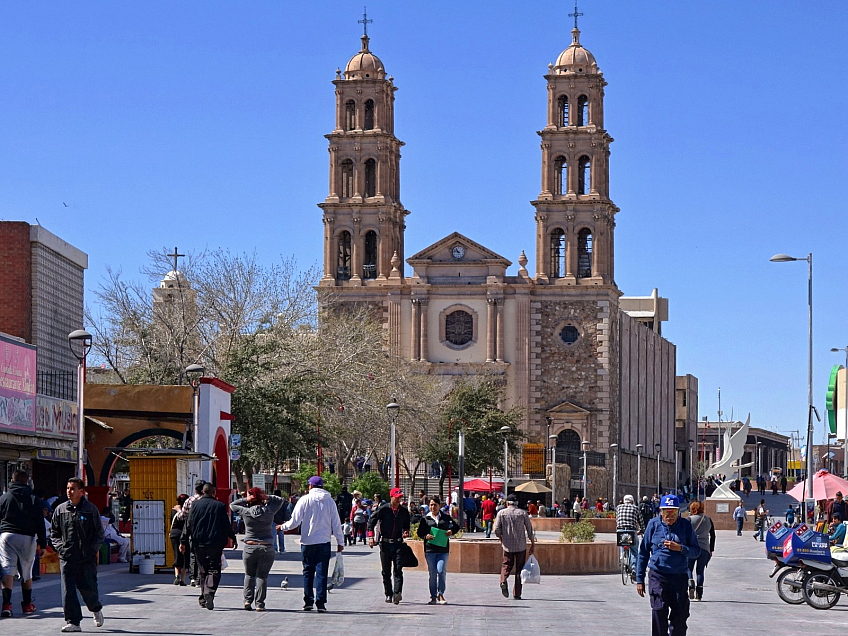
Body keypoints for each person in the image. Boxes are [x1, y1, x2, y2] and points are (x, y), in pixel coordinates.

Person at [636, 494, 700, 636]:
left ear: (679, 512)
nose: (669, 516)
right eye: (666, 512)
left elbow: (696, 551)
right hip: (658, 576)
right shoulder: (653, 524)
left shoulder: (685, 526)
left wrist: (680, 548)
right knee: (658, 612)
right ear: (660, 511)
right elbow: (643, 553)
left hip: (679, 577)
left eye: (673, 512)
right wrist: (639, 579)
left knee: (680, 618)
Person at [279, 476, 343, 612]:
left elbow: (294, 522)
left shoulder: (304, 500)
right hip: (324, 542)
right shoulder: (330, 501)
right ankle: (321, 603)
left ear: (310, 486)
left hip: (307, 542)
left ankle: (308, 601)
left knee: (308, 572)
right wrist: (340, 542)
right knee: (322, 573)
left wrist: (282, 527)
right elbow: (336, 524)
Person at [51, 478, 105, 632]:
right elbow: (54, 533)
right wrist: (61, 548)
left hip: (86, 558)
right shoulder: (60, 510)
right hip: (67, 557)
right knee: (68, 590)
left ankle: (95, 608)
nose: (69, 491)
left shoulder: (90, 510)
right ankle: (73, 622)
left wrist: (92, 550)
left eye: (73, 488)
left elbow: (99, 534)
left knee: (88, 589)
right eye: (68, 488)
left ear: (82, 491)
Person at [179, 483, 236, 611]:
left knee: (203, 570)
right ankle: (209, 593)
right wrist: (233, 537)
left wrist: (183, 541)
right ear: (213, 492)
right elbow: (226, 524)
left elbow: (188, 524)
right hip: (215, 543)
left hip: (198, 543)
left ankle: (204, 597)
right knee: (214, 570)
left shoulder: (195, 505)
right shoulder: (220, 506)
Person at [0, 469, 47, 618]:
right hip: (27, 537)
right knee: (26, 571)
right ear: (27, 482)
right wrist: (43, 545)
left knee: (7, 569)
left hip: (6, 536)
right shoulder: (34, 499)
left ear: (12, 481)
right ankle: (27, 605)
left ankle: (6, 606)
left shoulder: (4, 498)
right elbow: (40, 523)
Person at [231, 487, 284, 611]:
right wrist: (267, 497)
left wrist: (246, 498)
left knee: (249, 575)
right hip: (266, 546)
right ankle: (259, 603)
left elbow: (232, 505)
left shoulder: (246, 511)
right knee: (262, 576)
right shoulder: (269, 511)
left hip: (250, 546)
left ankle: (247, 601)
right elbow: (280, 500)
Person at [368, 487, 411, 604]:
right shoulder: (383, 509)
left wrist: (406, 531)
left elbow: (407, 524)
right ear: (391, 497)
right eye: (396, 498)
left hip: (398, 544)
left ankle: (397, 593)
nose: (398, 500)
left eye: (400, 498)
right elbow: (371, 521)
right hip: (385, 544)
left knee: (398, 569)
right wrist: (371, 537)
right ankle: (388, 593)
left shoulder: (403, 511)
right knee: (386, 571)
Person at [416, 495, 460, 604]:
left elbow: (456, 527)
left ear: (439, 506)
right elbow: (420, 533)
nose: (433, 507)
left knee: (441, 571)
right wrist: (426, 536)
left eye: (435, 505)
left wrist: (451, 532)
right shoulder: (425, 519)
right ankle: (433, 596)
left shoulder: (445, 517)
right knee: (432, 573)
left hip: (443, 550)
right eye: (431, 505)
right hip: (430, 550)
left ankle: (441, 593)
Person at [493, 493, 536, 600]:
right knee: (519, 569)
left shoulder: (501, 513)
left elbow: (496, 529)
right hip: (520, 545)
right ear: (517, 503)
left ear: (507, 503)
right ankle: (517, 593)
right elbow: (529, 530)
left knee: (506, 565)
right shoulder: (522, 513)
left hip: (507, 545)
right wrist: (532, 543)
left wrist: (501, 539)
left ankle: (503, 580)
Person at [176, 479, 207, 587]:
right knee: (204, 555)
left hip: (192, 531)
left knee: (193, 555)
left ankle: (193, 578)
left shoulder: (189, 500)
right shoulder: (207, 500)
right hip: (206, 531)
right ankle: (201, 577)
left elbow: (182, 517)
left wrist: (178, 510)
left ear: (195, 489)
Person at [686, 500, 715, 601]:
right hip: (704, 548)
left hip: (691, 548)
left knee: (688, 568)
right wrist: (711, 549)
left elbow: (684, 534)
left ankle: (690, 583)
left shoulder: (689, 519)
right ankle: (699, 595)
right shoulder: (708, 519)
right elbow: (713, 535)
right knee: (700, 571)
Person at [616, 494, 645, 581]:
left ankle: (622, 556)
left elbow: (617, 519)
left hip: (620, 530)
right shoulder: (635, 508)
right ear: (632, 501)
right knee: (634, 551)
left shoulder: (618, 507)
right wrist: (642, 530)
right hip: (631, 531)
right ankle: (633, 569)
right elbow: (640, 521)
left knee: (622, 544)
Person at [170, 494, 190, 585]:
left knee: (177, 554)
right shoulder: (187, 512)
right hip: (183, 534)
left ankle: (176, 575)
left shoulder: (173, 511)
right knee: (185, 556)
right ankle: (182, 579)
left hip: (174, 534)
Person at [272, 489, 291, 554]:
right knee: (281, 536)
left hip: (273, 519)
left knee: (274, 535)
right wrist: (286, 519)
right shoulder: (283, 502)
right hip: (281, 521)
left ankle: (275, 549)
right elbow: (285, 511)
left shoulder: (272, 502)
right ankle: (282, 549)